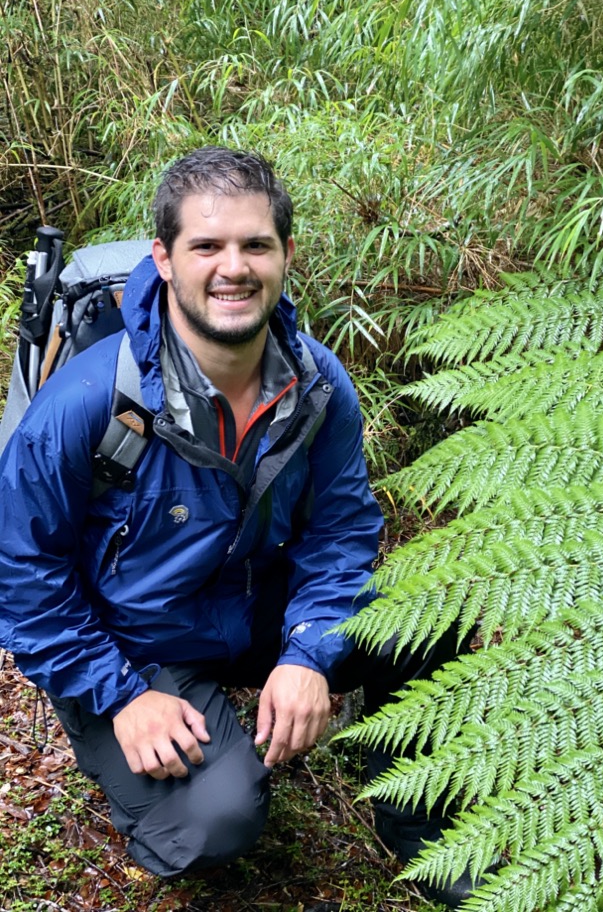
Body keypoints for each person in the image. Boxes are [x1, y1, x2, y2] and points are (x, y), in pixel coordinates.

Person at [0, 147, 472, 906]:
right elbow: (21, 573)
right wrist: (121, 696)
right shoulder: (90, 402)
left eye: (255, 244)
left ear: (286, 253)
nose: (234, 267)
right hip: (133, 645)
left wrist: (311, 651)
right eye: (207, 246)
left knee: (425, 619)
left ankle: (413, 813)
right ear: (165, 257)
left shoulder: (317, 384)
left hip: (253, 606)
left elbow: (341, 532)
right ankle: (161, 760)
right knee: (216, 824)